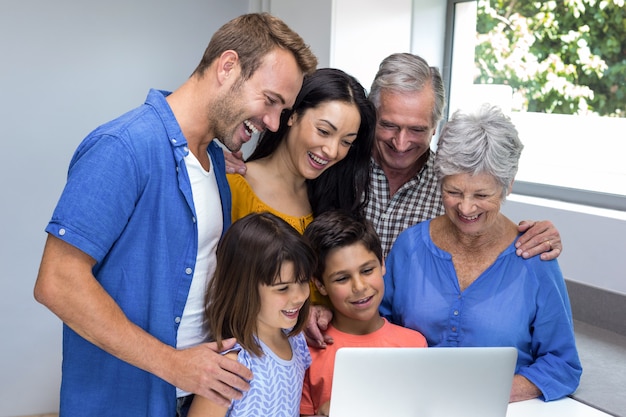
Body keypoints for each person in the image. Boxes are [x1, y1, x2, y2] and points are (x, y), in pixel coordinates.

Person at [33, 13, 317, 417]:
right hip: (125, 401)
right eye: (270, 100)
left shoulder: (215, 162)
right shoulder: (124, 147)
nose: (271, 123)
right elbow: (57, 283)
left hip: (188, 399)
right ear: (228, 66)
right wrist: (175, 366)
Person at [380, 104, 582, 403]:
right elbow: (376, 331)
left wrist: (485, 392)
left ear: (508, 186)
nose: (466, 207)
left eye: (482, 195)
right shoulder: (409, 247)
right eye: (454, 191)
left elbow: (562, 365)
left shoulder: (535, 258)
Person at [300, 210, 427, 416]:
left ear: (383, 264)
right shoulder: (308, 349)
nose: (359, 287)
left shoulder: (414, 345)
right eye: (342, 278)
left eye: (367, 271)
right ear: (320, 285)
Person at [187, 212, 315, 417]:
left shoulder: (296, 340)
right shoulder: (232, 364)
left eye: (303, 282)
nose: (299, 296)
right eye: (282, 288)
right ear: (244, 289)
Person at [228, 67, 375, 234]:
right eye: (324, 131)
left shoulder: (332, 200)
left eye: (346, 142)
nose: (333, 151)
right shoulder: (235, 187)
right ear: (293, 115)